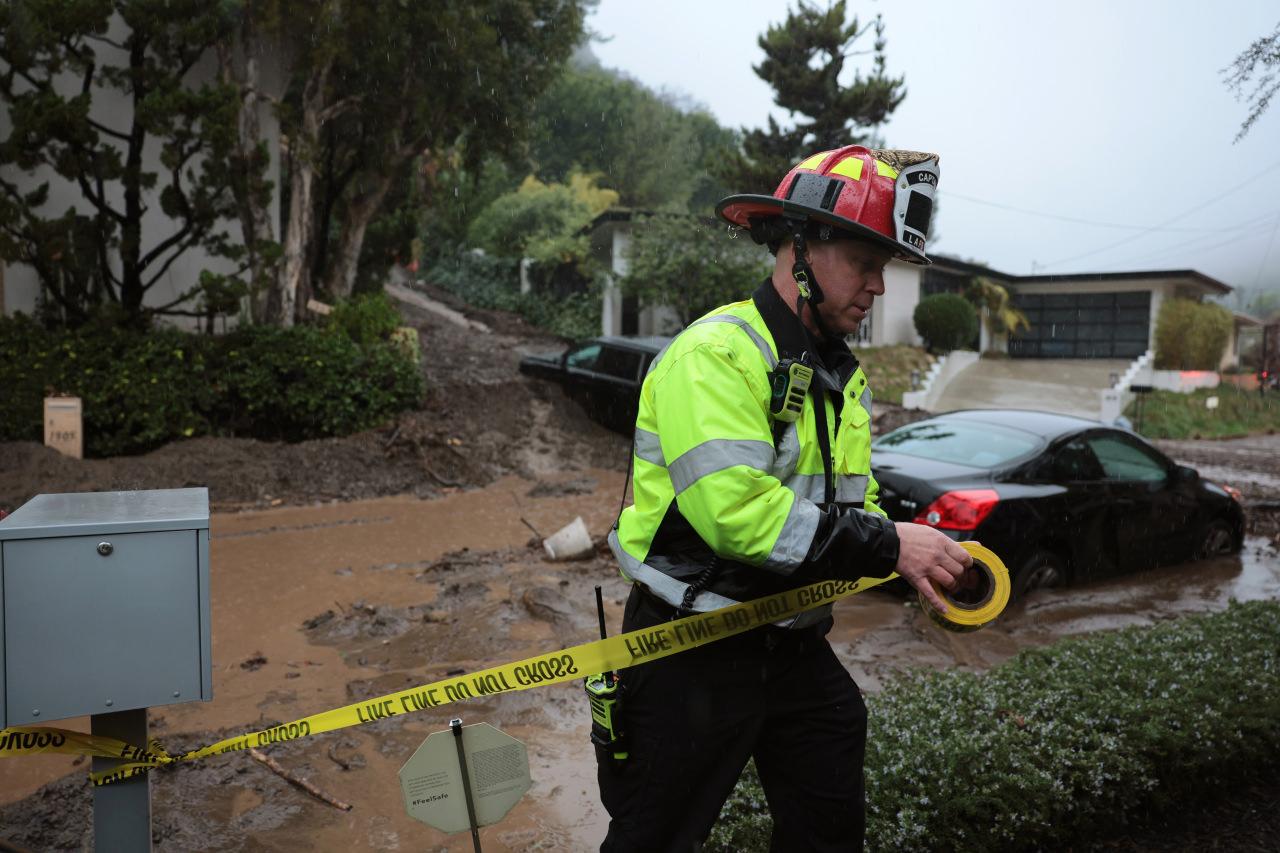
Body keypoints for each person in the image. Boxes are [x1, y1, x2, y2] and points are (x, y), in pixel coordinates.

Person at [598, 145, 974, 852]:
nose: (879, 288)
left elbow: (837, 520)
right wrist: (893, 544)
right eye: (865, 263)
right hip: (693, 643)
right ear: (801, 248)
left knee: (831, 785)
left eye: (883, 268)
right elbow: (739, 517)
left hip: (793, 641)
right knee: (654, 836)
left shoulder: (840, 380)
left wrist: (907, 559)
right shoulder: (715, 356)